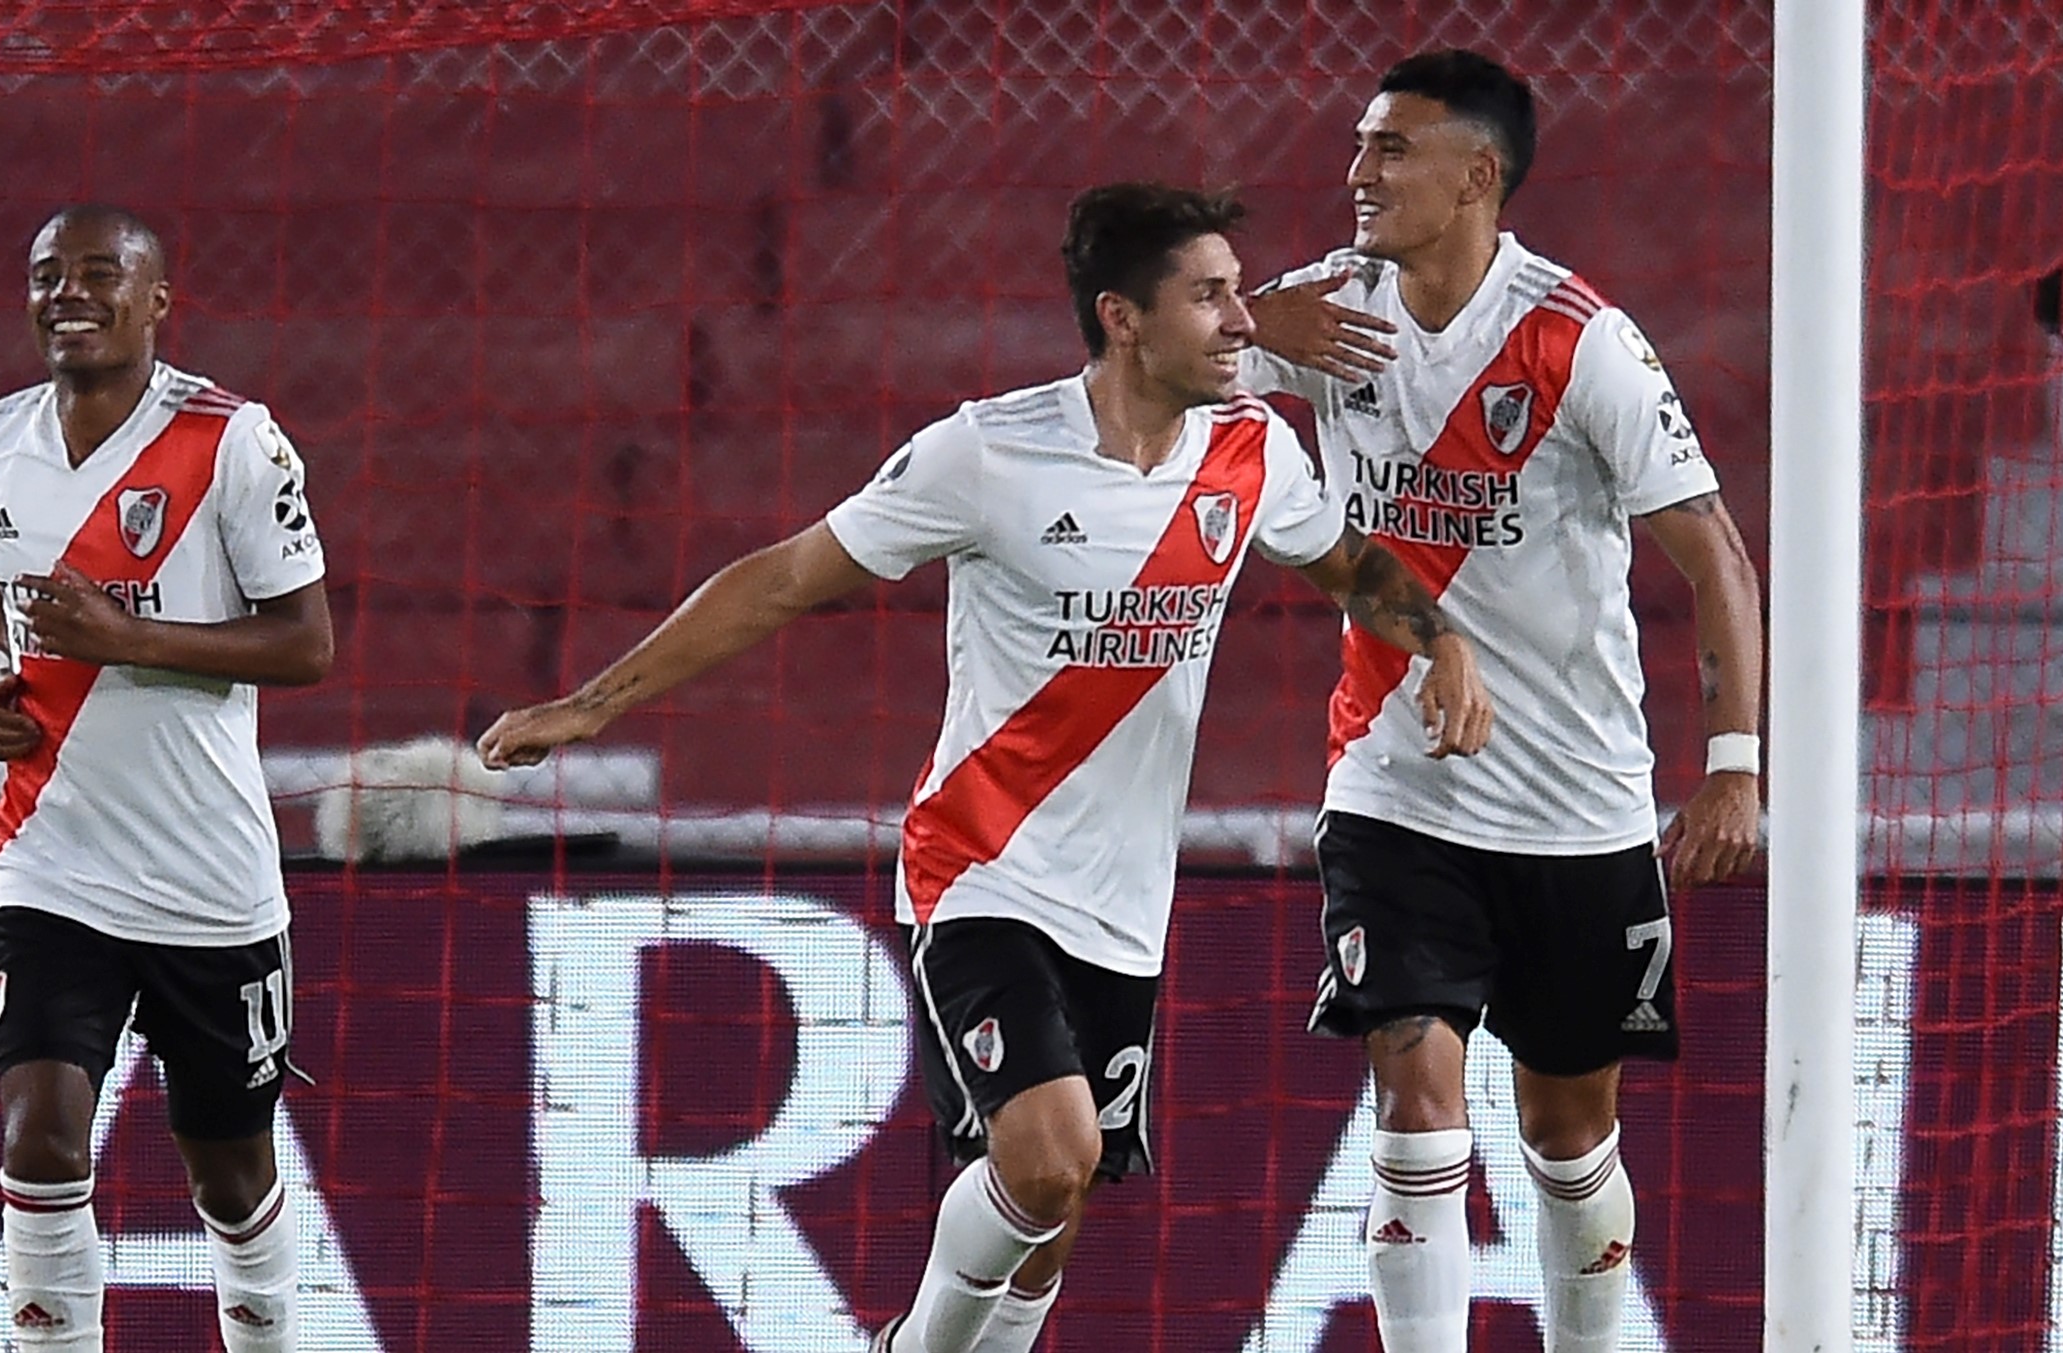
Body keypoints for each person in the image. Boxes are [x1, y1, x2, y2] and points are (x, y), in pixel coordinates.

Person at [477, 182, 1493, 1353]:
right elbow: (786, 577)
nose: (1242, 321)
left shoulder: (1252, 451)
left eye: (1236, 291)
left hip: (1123, 906)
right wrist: (593, 702)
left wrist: (1444, 642)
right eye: (1209, 297)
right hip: (981, 866)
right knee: (1048, 1156)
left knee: (1049, 1219)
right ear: (1122, 317)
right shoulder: (988, 452)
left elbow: (1352, 569)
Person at [1240, 50, 1765, 1353]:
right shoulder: (1320, 311)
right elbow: (1139, 374)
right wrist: (1247, 322)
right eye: (1360, 147)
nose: (1358, 172)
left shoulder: (1578, 341)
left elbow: (1715, 554)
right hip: (1393, 783)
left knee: (1567, 1138)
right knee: (1416, 1102)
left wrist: (1738, 764)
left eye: (1391, 150)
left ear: (1480, 174)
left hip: (1576, 804)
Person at [0, 205, 334, 1352]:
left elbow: (306, 646)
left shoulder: (233, 443)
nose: (69, 293)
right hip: (52, 859)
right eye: (46, 275)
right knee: (41, 1143)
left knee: (226, 1174)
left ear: (158, 301)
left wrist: (126, 637)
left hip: (210, 881)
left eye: (101, 274)